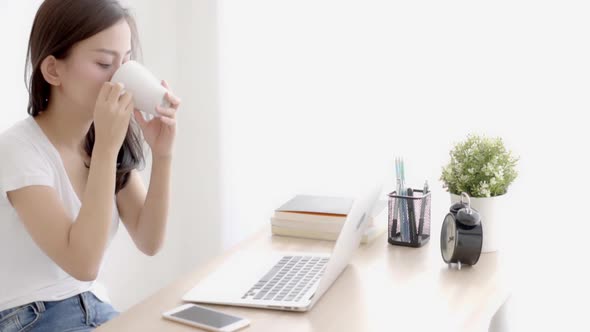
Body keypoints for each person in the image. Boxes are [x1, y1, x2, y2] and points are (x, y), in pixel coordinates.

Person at [0, 0, 180, 330]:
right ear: (53, 70)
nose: (121, 79)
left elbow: (149, 239)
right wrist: (107, 150)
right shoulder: (17, 150)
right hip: (28, 315)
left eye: (126, 62)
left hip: (93, 306)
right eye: (103, 63)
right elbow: (83, 263)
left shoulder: (102, 141)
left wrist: (163, 153)